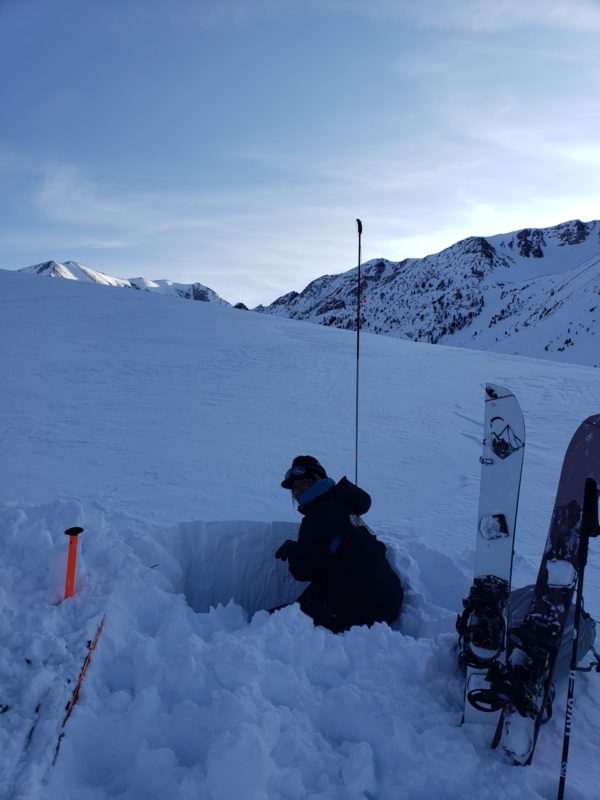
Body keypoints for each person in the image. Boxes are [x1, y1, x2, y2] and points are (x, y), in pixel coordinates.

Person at [275, 455, 404, 633]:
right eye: (294, 488)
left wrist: (292, 549)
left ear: (318, 480)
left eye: (303, 483)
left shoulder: (318, 515)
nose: (297, 491)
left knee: (273, 622)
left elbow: (302, 570)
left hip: (360, 608)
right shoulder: (344, 508)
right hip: (390, 599)